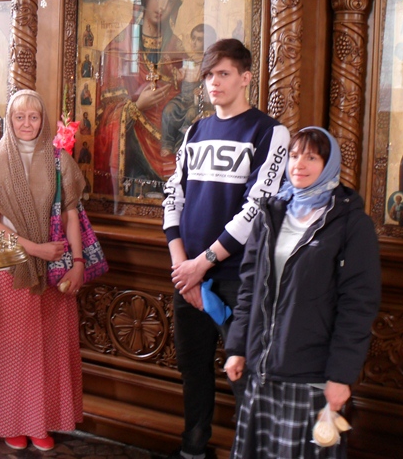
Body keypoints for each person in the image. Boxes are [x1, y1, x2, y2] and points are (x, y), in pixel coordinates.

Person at [163, 39, 290, 459]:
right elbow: (173, 195)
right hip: (188, 276)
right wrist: (182, 266)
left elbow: (257, 207)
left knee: (243, 374)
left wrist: (204, 263)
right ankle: (193, 449)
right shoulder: (195, 131)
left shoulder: (269, 132)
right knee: (193, 369)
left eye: (223, 74)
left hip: (238, 280)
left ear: (245, 77)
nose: (213, 82)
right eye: (208, 75)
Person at [224, 127, 381, 459]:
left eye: (311, 157)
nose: (299, 164)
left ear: (329, 164)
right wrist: (237, 347)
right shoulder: (270, 213)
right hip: (263, 369)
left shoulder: (351, 224)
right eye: (294, 156)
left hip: (311, 375)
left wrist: (341, 376)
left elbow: (357, 307)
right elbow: (249, 287)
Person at [0, 89, 86, 452]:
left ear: (43, 120)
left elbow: (72, 217)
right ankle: (10, 422)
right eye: (19, 117)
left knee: (48, 350)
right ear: (10, 120)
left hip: (55, 271)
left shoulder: (61, 161)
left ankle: (41, 422)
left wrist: (78, 263)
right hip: (12, 269)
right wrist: (36, 249)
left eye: (34, 117)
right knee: (13, 350)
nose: (27, 123)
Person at [94, 0, 189, 199]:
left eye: (171, 1)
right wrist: (137, 106)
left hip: (172, 147)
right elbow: (105, 117)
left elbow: (188, 99)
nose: (163, 6)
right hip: (134, 155)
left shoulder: (178, 51)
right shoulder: (119, 49)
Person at [161, 23, 218, 156]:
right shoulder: (188, 60)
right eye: (193, 38)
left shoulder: (208, 63)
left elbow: (210, 83)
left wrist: (200, 91)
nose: (194, 42)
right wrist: (172, 70)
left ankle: (182, 145)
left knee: (191, 115)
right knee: (169, 109)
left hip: (197, 101)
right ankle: (167, 144)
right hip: (183, 98)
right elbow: (181, 76)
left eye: (199, 39)